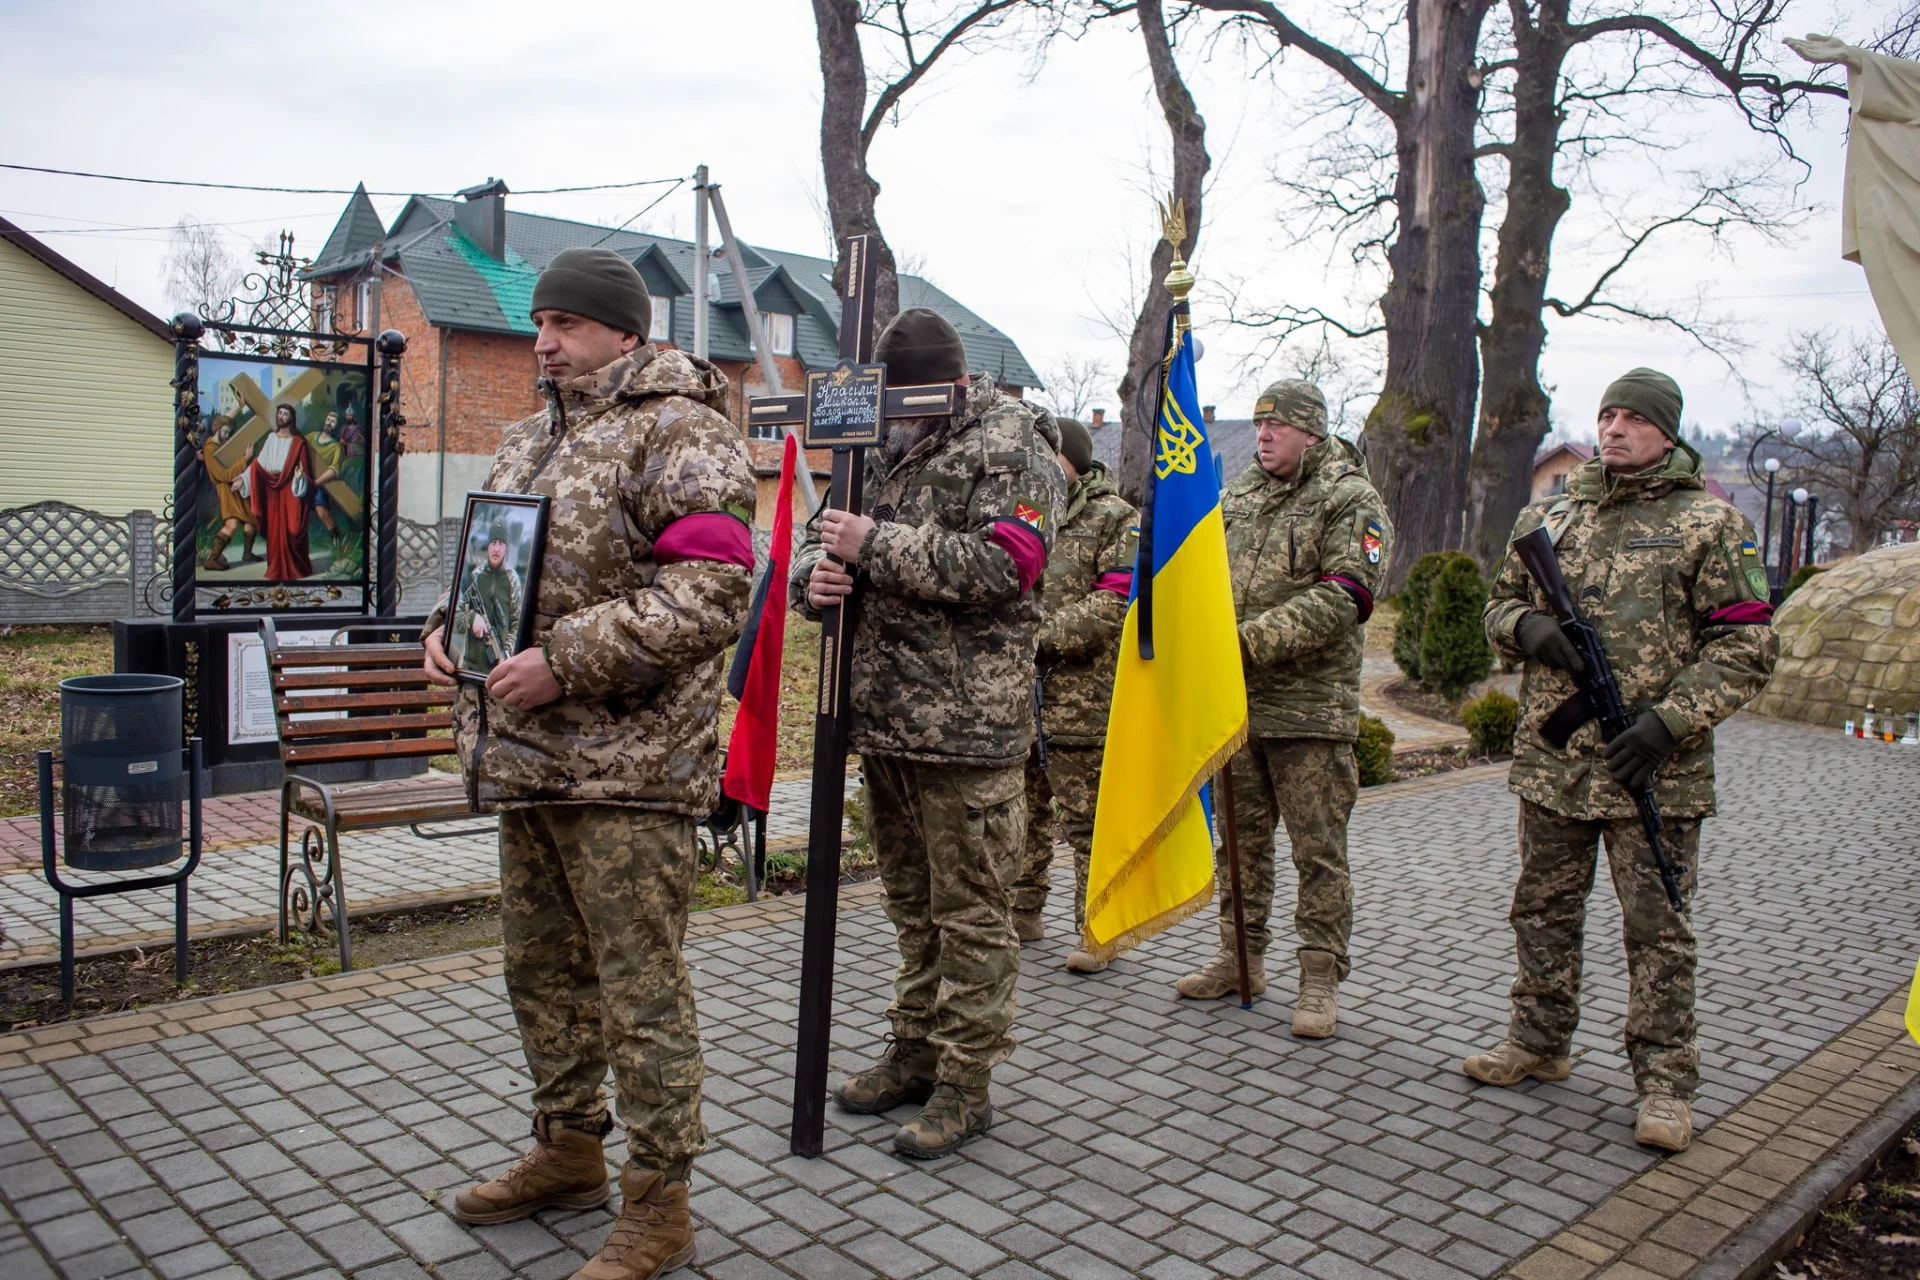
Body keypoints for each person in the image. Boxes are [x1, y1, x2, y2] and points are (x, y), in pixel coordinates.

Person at [422, 247, 756, 1280]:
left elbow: (712, 590)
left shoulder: (682, 431)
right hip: (526, 762)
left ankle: (659, 1204)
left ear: (625, 331)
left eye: (567, 323)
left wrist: (564, 662)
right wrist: (450, 626)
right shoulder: (530, 436)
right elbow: (494, 569)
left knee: (639, 987)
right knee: (542, 973)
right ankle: (567, 1151)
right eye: (540, 321)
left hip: (627, 769)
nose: (544, 341)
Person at [1465, 368, 1776, 1153]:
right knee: (1541, 911)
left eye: (1634, 418)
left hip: (1652, 772)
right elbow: (1498, 602)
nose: (1614, 429)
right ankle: (1538, 1042)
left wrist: (1668, 723)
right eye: (1607, 414)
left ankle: (1666, 1083)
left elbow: (1748, 644)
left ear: (1665, 432)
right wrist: (1525, 630)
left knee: (1658, 929)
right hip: (1557, 760)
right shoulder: (1551, 513)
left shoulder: (1711, 523)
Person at [791, 308, 1065, 1159]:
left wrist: (875, 545)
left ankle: (964, 1083)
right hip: (882, 723)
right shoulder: (876, 443)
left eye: (907, 403)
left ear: (948, 384)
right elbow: (818, 537)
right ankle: (912, 1050)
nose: (894, 420)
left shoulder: (1012, 443)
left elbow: (1004, 565)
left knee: (973, 913)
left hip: (968, 732)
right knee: (912, 908)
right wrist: (816, 577)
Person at [1174, 379, 1389, 1041]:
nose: (1262, 434)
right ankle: (1241, 959)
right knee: (1238, 851)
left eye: (1277, 425)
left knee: (1317, 853)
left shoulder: (1350, 499)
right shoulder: (1237, 494)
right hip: (1235, 708)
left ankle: (1319, 980)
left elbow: (1347, 595)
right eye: (1260, 423)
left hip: (1309, 713)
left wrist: (1247, 643)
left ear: (1312, 432)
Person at [1008, 414, 1136, 973]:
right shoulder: (1029, 509)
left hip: (1081, 700)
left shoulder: (1117, 518)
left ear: (1072, 462)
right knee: (1024, 812)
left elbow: (1113, 604)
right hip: (1017, 697)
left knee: (1086, 822)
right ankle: (1023, 910)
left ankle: (1098, 928)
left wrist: (1031, 640)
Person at [236, 402, 315, 581]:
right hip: (272, 491)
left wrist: (298, 477)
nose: (281, 417)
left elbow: (306, 474)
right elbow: (259, 464)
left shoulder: (299, 443)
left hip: (290, 490)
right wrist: (243, 478)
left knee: (293, 529)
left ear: (291, 418)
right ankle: (275, 566)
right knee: (274, 530)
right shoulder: (271, 438)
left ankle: (297, 566)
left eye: (285, 414)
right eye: (279, 413)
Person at [451, 523, 524, 674]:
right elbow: (455, 618)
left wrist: (506, 652)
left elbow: (517, 624)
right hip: (471, 669)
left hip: (501, 668)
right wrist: (472, 618)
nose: (496, 548)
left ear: (506, 548)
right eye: (493, 543)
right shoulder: (474, 577)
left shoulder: (512, 579)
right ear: (488, 547)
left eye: (501, 543)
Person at [198, 414, 261, 570]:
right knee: (232, 524)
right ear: (218, 429)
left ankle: (247, 553)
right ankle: (212, 559)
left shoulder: (225, 446)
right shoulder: (209, 448)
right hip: (226, 490)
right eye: (225, 431)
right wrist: (244, 459)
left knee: (251, 520)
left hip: (239, 487)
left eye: (229, 432)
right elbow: (222, 475)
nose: (227, 435)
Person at [306, 412, 348, 563]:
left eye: (334, 422)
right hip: (302, 480)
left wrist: (316, 482)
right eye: (328, 419)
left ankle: (338, 546)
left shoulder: (336, 447)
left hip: (318, 484)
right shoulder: (311, 437)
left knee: (323, 514)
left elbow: (334, 469)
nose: (330, 423)